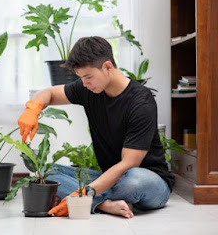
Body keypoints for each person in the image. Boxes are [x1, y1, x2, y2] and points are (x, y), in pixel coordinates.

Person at [17, 36, 174, 219]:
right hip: (109, 177)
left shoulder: (140, 102)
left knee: (132, 180)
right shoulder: (89, 88)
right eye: (81, 78)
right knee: (44, 171)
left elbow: (128, 164)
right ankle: (105, 204)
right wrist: (33, 108)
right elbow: (50, 93)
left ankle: (88, 199)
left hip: (149, 182)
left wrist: (84, 193)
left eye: (88, 77)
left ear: (107, 66)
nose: (84, 83)